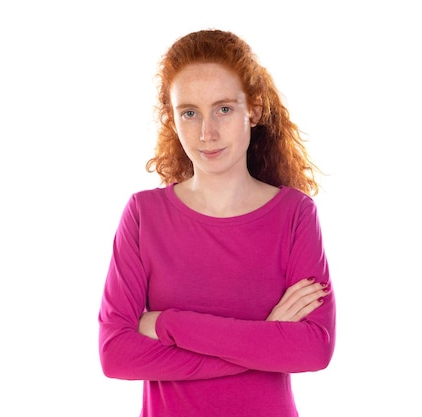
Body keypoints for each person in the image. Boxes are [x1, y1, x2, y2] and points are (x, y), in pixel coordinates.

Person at [98, 29, 336, 417]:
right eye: (189, 113)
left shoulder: (294, 214)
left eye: (223, 109)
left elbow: (313, 348)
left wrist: (168, 324)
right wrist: (265, 340)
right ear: (172, 119)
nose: (206, 133)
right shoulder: (145, 215)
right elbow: (115, 355)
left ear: (254, 110)